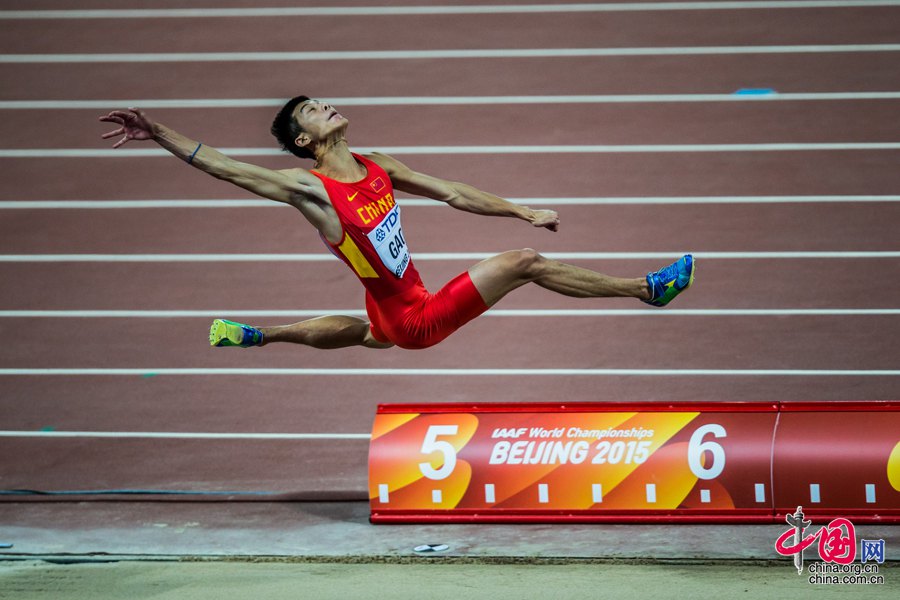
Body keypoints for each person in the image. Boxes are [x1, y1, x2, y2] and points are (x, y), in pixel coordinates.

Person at [99, 97, 694, 351]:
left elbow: (452, 191)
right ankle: (649, 290)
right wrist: (159, 134)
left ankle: (257, 336)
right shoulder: (313, 191)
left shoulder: (375, 164)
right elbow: (226, 168)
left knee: (365, 333)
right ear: (305, 140)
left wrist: (521, 208)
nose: (327, 105)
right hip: (413, 317)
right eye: (312, 110)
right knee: (523, 264)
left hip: (389, 307)